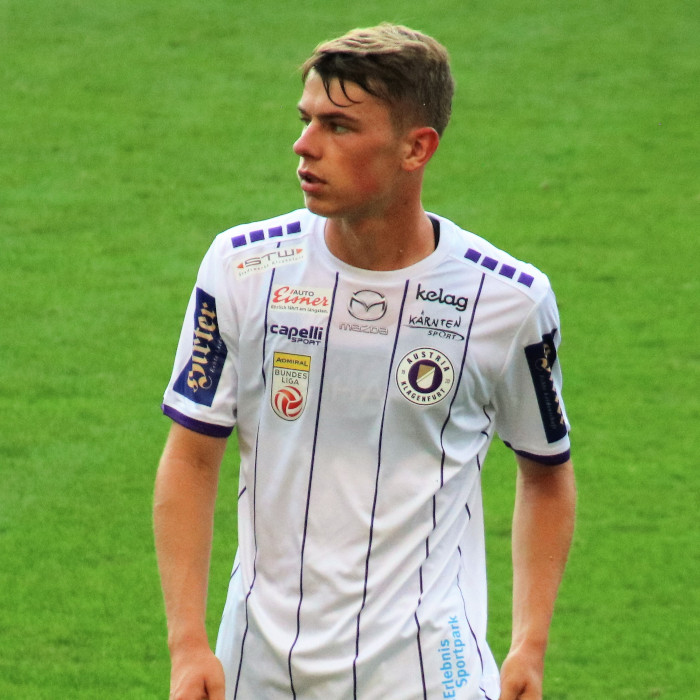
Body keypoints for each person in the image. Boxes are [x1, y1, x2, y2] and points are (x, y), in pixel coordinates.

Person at [154, 23, 576, 700]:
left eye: (339, 126)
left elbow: (547, 475)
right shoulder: (243, 268)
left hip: (428, 674)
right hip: (255, 668)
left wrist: (529, 645)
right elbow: (192, 456)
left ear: (416, 147)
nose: (304, 144)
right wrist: (187, 644)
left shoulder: (507, 302)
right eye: (306, 119)